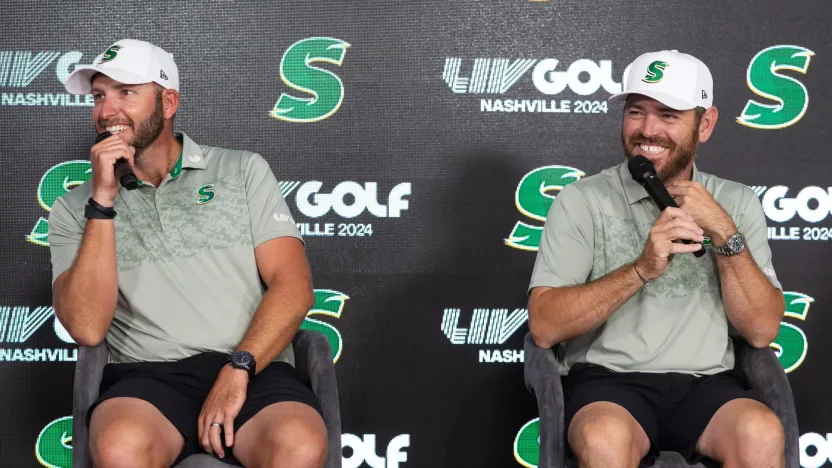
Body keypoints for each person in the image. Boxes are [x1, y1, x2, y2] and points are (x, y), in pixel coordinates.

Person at [49, 39, 326, 468]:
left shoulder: (243, 170)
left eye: (126, 93)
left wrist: (239, 370)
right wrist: (102, 202)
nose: (106, 111)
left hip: (252, 367)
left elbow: (295, 287)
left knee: (299, 444)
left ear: (168, 101)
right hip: (148, 378)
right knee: (121, 446)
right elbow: (86, 327)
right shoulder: (73, 209)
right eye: (99, 96)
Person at [527, 50, 786, 468]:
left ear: (705, 124)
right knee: (602, 436)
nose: (648, 130)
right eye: (636, 112)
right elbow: (543, 326)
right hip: (608, 384)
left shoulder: (735, 202)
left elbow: (760, 330)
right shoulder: (581, 200)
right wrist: (640, 269)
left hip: (709, 385)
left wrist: (724, 232)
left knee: (762, 432)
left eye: (668, 115)